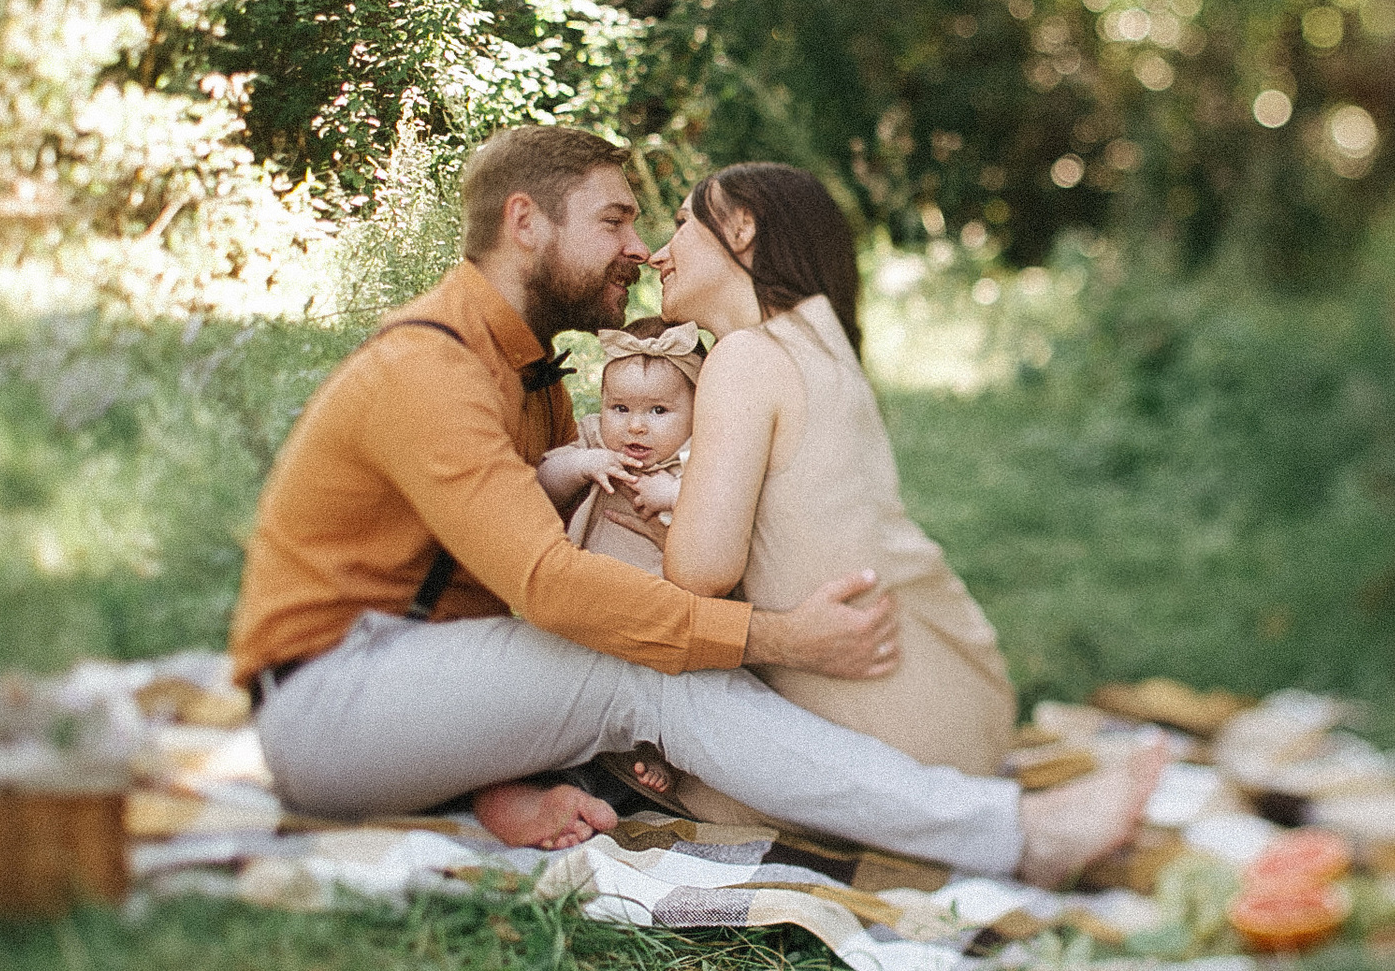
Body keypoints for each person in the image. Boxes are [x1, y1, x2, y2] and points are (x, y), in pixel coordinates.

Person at [227, 123, 1160, 883]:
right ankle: (1015, 834)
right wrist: (775, 638)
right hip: (329, 700)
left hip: (414, 677)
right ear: (526, 223)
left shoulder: (530, 371)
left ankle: (508, 785)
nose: (638, 248)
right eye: (614, 220)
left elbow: (518, 585)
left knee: (639, 650)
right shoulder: (426, 370)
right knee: (643, 673)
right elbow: (549, 588)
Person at [646, 164, 1022, 822]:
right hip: (962, 704)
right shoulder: (823, 345)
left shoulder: (746, 357)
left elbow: (699, 569)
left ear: (741, 226)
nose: (658, 251)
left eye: (681, 224)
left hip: (896, 743)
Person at [536, 315, 703, 576]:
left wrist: (673, 494)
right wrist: (581, 465)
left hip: (666, 601)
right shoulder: (596, 440)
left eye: (658, 410)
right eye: (620, 408)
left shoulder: (699, 455)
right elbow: (541, 487)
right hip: (586, 590)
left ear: (698, 410)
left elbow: (723, 513)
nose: (635, 426)